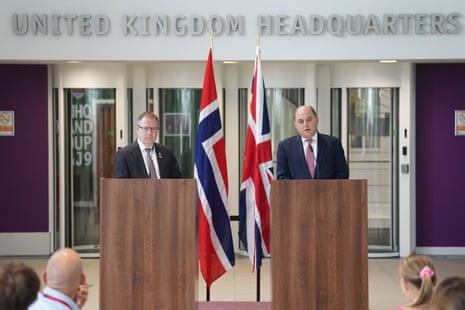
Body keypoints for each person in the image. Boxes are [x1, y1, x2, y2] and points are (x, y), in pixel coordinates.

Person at [276, 105, 349, 179]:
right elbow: (282, 177)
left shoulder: (333, 144)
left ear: (317, 120)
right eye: (300, 121)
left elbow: (342, 174)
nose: (305, 124)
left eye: (309, 119)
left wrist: (330, 190)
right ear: (295, 125)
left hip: (328, 190)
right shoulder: (285, 147)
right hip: (297, 190)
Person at [114, 111, 183, 178]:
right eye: (146, 128)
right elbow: (121, 185)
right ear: (137, 129)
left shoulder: (167, 153)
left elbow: (177, 182)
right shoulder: (124, 155)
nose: (149, 132)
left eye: (153, 129)